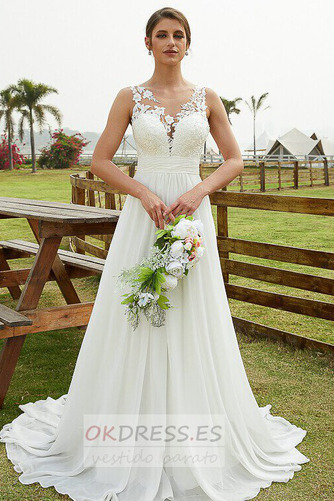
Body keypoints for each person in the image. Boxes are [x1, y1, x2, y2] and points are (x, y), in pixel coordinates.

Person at [0, 6, 309, 501]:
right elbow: (100, 159)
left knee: (192, 311)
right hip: (144, 218)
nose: (170, 42)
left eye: (178, 35)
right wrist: (142, 194)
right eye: (161, 35)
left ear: (189, 44)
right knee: (135, 311)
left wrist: (199, 192)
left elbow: (234, 159)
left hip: (190, 213)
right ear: (147, 43)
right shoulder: (129, 96)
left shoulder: (207, 98)